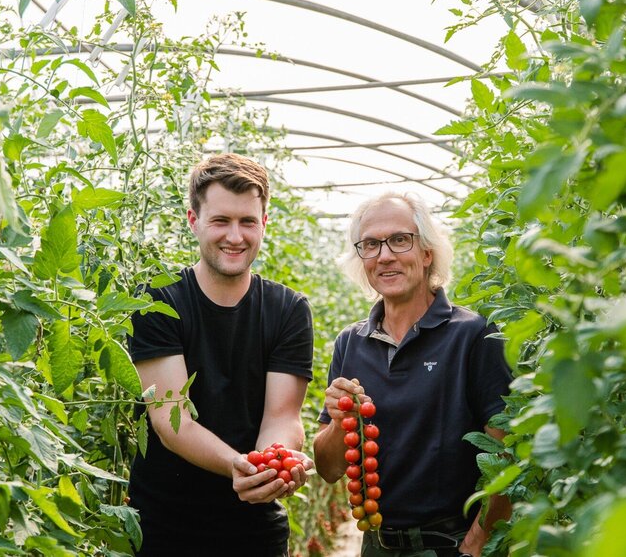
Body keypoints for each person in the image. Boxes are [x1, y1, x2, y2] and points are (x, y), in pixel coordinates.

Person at [127, 153, 315, 556]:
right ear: (194, 222)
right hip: (164, 529)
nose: (235, 236)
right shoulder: (157, 301)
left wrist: (270, 462)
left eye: (248, 221)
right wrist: (238, 466)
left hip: (255, 531)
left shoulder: (288, 310)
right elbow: (170, 418)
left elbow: (283, 416)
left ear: (264, 223)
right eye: (220, 221)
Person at [313, 193, 513, 557]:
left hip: (452, 544)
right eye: (371, 244)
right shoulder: (350, 343)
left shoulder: (473, 335)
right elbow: (329, 469)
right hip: (377, 544)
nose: (384, 255)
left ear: (426, 253)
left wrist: (480, 539)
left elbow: (504, 451)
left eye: (399, 240)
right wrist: (340, 421)